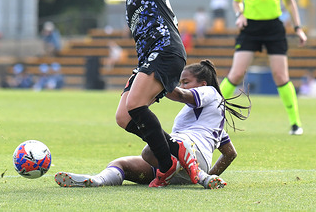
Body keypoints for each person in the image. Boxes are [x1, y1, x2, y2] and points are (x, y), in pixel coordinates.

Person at [55, 60, 250, 189]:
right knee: (121, 164)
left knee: (151, 149)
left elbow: (182, 95)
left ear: (203, 83)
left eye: (185, 81)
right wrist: (209, 173)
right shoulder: (212, 121)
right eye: (180, 82)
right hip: (184, 165)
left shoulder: (210, 93)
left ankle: (196, 173)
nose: (181, 86)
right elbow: (230, 153)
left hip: (189, 149)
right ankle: (97, 181)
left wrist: (157, 82)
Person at [104, 0, 197, 187]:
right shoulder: (129, 0)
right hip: (150, 58)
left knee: (135, 104)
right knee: (124, 116)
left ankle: (166, 166)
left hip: (166, 51)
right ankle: (177, 149)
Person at [219, 0, 307, 136]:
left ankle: (295, 123)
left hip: (274, 28)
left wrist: (298, 28)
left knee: (280, 75)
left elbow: (289, 1)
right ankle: (211, 115)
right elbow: (236, 0)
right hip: (250, 28)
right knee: (236, 73)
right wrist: (239, 14)